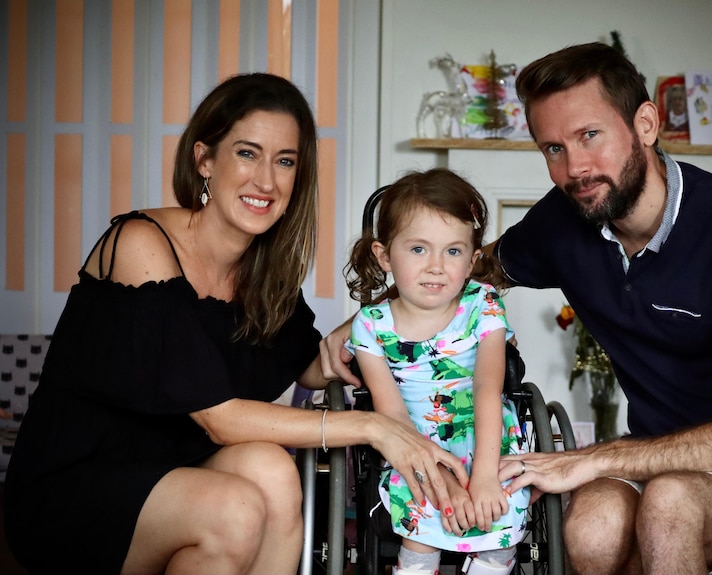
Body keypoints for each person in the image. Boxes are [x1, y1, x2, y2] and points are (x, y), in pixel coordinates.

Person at [323, 42, 712, 575]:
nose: (575, 169)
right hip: (656, 455)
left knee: (670, 506)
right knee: (590, 525)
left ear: (646, 125)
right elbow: (460, 273)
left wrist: (590, 458)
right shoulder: (567, 218)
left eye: (590, 136)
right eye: (553, 149)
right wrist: (362, 328)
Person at [4, 73, 467, 575]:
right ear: (204, 160)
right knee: (234, 511)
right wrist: (374, 428)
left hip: (175, 473)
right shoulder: (140, 243)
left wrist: (398, 306)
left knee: (273, 471)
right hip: (76, 487)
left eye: (285, 161)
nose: (266, 181)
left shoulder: (262, 271)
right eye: (248, 153)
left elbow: (311, 366)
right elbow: (217, 418)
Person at [343, 169, 529, 575]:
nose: (436, 267)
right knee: (423, 505)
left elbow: (486, 387)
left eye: (453, 251)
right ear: (384, 255)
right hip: (411, 440)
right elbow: (391, 414)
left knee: (503, 499)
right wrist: (441, 482)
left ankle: (492, 564)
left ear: (472, 261)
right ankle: (414, 568)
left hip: (486, 433)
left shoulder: (483, 304)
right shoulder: (371, 326)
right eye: (418, 250)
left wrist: (482, 477)